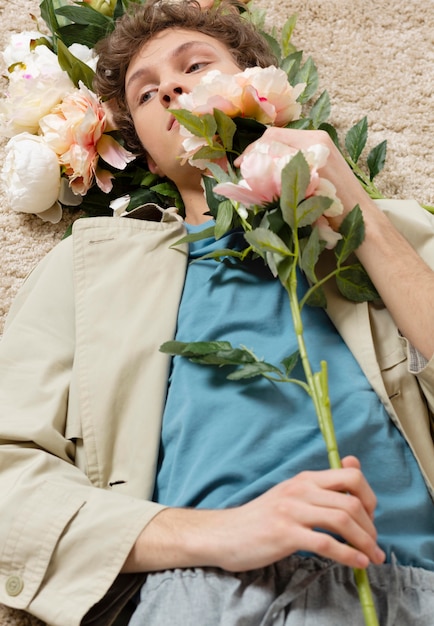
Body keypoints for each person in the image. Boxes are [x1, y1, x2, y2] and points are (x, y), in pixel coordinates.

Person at [0, 1, 433, 625]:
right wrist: (217, 535)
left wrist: (355, 205)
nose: (170, 86)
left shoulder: (397, 235)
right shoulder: (86, 270)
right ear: (147, 158)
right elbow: (11, 479)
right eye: (146, 94)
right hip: (196, 594)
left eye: (195, 66)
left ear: (264, 91)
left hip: (403, 587)